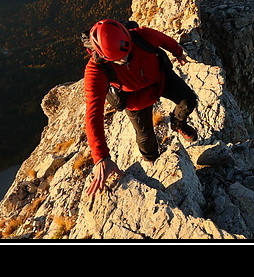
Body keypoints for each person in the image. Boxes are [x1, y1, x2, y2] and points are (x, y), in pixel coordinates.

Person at [83, 19, 199, 196]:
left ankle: (178, 124)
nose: (125, 59)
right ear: (102, 55)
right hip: (135, 99)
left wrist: (178, 52)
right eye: (118, 60)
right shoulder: (96, 70)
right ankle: (153, 160)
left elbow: (165, 40)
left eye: (127, 53)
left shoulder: (141, 36)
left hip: (160, 80)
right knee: (145, 136)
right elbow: (93, 114)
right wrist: (101, 157)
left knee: (188, 100)